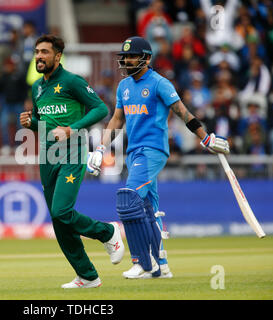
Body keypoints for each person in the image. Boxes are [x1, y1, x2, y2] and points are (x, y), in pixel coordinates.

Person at [87, 36, 230, 279]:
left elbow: (182, 112)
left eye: (132, 56)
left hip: (153, 150)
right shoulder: (123, 86)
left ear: (147, 59)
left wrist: (205, 138)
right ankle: (161, 265)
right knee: (147, 208)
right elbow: (117, 120)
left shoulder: (159, 83)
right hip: (134, 153)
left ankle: (143, 262)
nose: (127, 60)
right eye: (125, 56)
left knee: (128, 199)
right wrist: (101, 149)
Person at [19, 34, 124, 289]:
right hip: (47, 156)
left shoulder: (71, 81)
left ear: (57, 56)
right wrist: (31, 123)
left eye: (44, 52)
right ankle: (87, 275)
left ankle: (107, 232)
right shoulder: (37, 87)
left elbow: (101, 109)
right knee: (58, 220)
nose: (39, 56)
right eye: (37, 52)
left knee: (61, 211)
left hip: (72, 152)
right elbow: (45, 125)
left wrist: (71, 129)